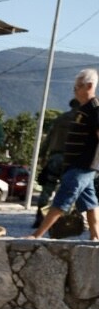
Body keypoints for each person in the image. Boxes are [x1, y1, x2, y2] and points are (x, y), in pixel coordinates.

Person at [31, 69, 99, 240]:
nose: (74, 90)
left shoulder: (95, 109)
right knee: (90, 203)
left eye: (77, 87)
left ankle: (37, 235)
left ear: (89, 86)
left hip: (82, 165)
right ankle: (96, 236)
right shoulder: (82, 110)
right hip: (76, 165)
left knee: (62, 199)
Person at [34, 93, 80, 224]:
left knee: (47, 188)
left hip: (55, 158)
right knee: (69, 190)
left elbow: (48, 139)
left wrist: (42, 155)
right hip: (72, 159)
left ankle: (39, 217)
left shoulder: (60, 119)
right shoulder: (81, 120)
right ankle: (63, 219)